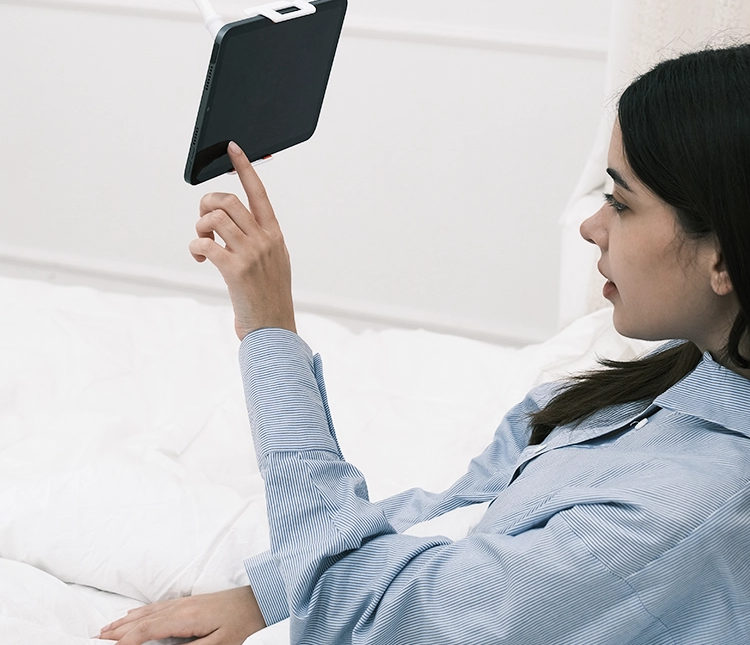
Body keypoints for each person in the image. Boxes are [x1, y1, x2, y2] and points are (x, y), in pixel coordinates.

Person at [100, 45, 750, 644]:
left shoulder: (681, 513)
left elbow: (362, 620)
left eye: (622, 202)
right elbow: (472, 502)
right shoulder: (685, 376)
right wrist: (270, 593)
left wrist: (269, 330)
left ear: (721, 256)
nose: (591, 226)